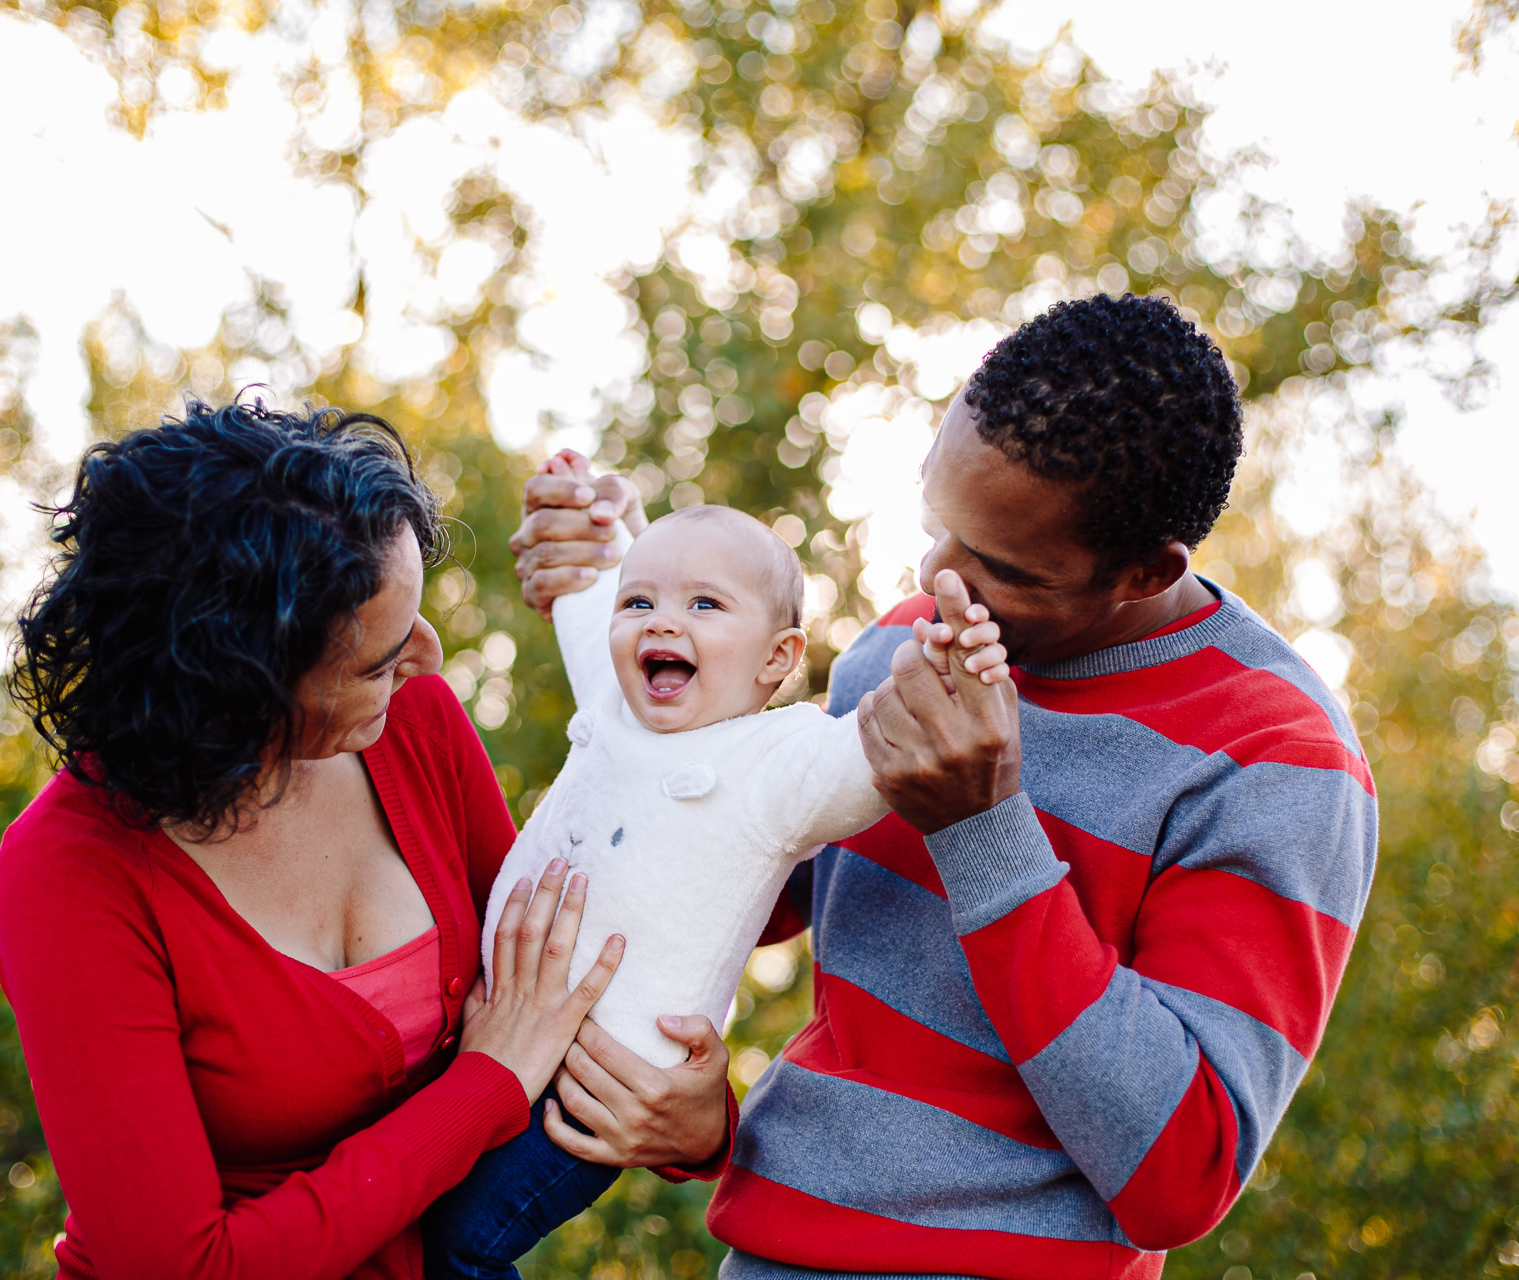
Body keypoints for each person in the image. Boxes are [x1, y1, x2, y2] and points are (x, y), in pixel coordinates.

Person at [511, 294, 1379, 1280]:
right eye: (936, 523)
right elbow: (722, 882)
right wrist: (634, 591)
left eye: (999, 566)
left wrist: (984, 829)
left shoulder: (1276, 760)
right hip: (767, 1253)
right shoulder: (903, 640)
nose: (935, 576)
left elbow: (1181, 1177)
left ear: (1144, 570)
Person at [0, 400, 732, 1280]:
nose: (426, 655)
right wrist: (483, 1087)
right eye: (377, 657)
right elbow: (183, 1267)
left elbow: (567, 989)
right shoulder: (70, 872)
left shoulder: (415, 726)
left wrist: (699, 1123)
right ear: (247, 687)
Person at [426, 479, 1008, 1280]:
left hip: (598, 1089)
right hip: (490, 1032)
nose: (662, 620)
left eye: (705, 606)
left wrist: (947, 671)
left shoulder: (779, 765)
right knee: (402, 1212)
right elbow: (588, 586)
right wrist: (581, 501)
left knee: (454, 1243)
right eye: (642, 605)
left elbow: (882, 748)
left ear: (777, 658)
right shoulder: (614, 698)